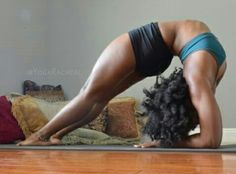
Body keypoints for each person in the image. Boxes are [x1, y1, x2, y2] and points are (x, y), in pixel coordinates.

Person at [18, 19, 227, 148]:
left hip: (159, 48)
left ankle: (52, 135)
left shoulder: (204, 75)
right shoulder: (199, 80)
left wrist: (164, 142)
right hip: (149, 43)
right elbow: (210, 141)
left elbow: (209, 140)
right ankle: (42, 135)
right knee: (91, 96)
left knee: (94, 97)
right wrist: (165, 142)